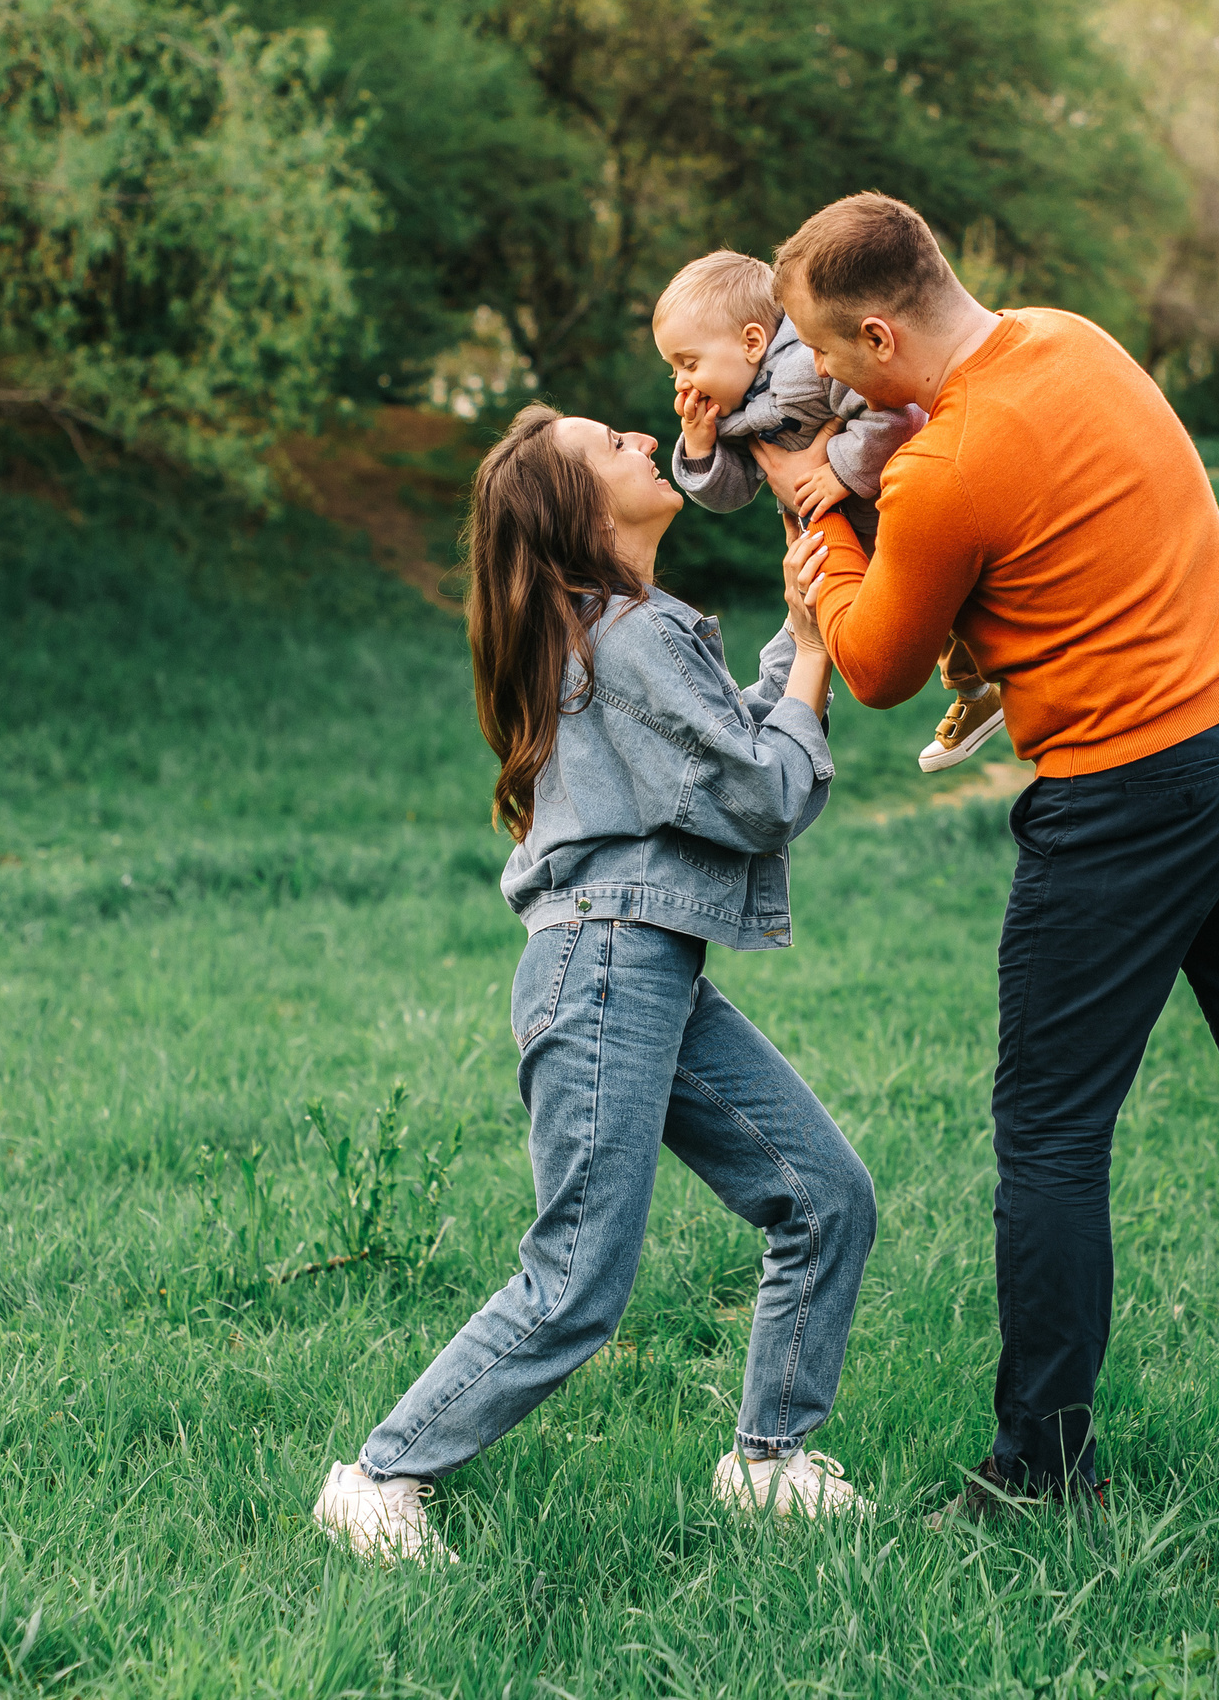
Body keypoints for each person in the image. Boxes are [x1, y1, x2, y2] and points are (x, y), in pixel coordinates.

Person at [759, 193, 1219, 1521]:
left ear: (878, 335)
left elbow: (871, 665)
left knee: (1050, 1130)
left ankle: (1043, 1467)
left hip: (1133, 789)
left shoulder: (945, 464)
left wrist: (826, 526)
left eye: (822, 347)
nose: (818, 373)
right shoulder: (1070, 340)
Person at [312, 404, 880, 1563]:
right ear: (575, 513)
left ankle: (769, 1463)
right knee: (577, 1275)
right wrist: (817, 652)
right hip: (608, 965)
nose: (642, 439)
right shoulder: (626, 632)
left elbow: (729, 746)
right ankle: (379, 1476)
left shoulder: (617, 632)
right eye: (609, 445)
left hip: (638, 965)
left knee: (823, 1196)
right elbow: (761, 794)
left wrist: (797, 627)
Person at [653, 248, 1007, 775]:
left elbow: (897, 416)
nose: (681, 381)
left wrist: (839, 471)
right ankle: (766, 738)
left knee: (958, 607)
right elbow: (733, 494)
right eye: (672, 369)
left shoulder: (808, 368)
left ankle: (988, 689)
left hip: (898, 512)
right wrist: (701, 449)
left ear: (751, 342)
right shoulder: (734, 413)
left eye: (688, 363)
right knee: (806, 630)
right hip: (841, 539)